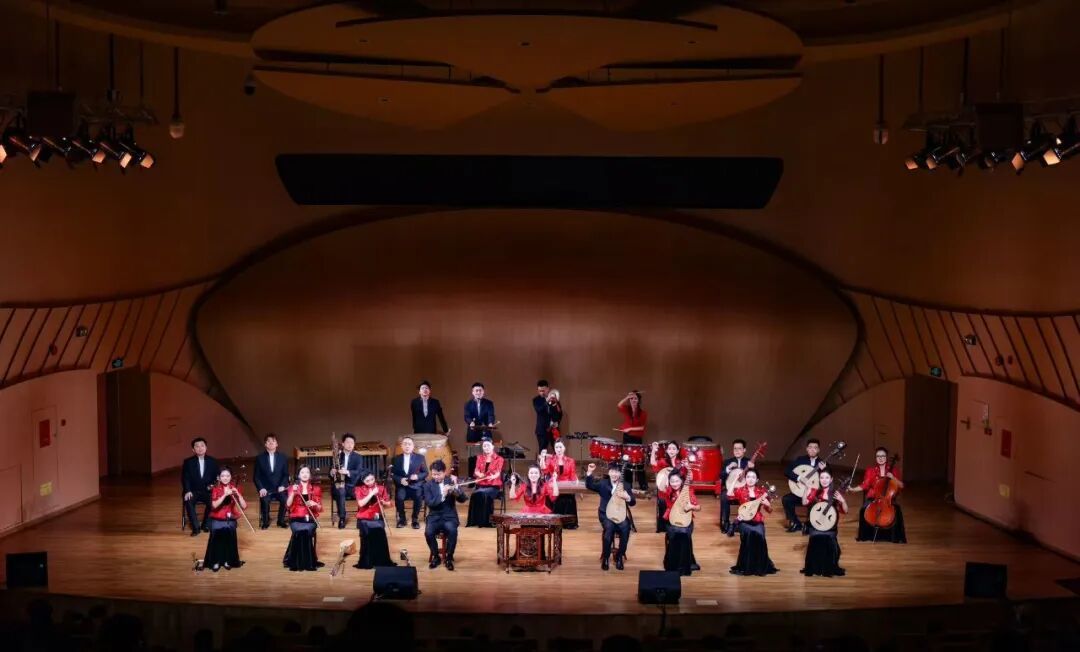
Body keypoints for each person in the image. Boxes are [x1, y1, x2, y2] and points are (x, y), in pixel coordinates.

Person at [585, 461, 636, 571]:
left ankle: (619, 556)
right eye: (612, 471)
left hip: (620, 515)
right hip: (606, 515)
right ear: (609, 472)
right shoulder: (603, 483)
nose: (614, 474)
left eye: (617, 472)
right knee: (609, 529)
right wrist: (589, 472)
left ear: (620, 473)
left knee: (626, 528)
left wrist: (628, 497)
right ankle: (606, 557)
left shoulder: (626, 485)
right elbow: (590, 485)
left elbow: (633, 502)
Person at [849, 447, 906, 543]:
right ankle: (865, 536)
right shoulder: (870, 470)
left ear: (886, 458)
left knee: (897, 510)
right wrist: (853, 489)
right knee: (863, 509)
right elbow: (865, 485)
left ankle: (895, 537)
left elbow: (901, 485)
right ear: (875, 458)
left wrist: (893, 478)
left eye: (883, 456)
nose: (880, 458)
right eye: (878, 456)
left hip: (888, 499)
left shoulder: (893, 470)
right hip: (874, 498)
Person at [421, 460, 468, 570]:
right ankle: (436, 556)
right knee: (428, 532)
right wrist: (443, 494)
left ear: (444, 472)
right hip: (434, 516)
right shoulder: (427, 485)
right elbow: (430, 503)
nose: (436, 477)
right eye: (434, 474)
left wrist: (456, 488)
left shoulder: (451, 481)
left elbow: (463, 499)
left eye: (438, 474)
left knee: (452, 531)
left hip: (449, 516)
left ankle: (449, 557)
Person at [730, 469, 777, 576]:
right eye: (748, 477)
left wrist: (768, 504)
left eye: (753, 477)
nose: (750, 479)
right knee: (749, 534)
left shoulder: (761, 492)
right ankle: (746, 566)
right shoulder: (740, 490)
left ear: (757, 480)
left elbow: (769, 510)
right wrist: (735, 480)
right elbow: (729, 494)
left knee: (760, 535)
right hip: (744, 520)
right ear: (745, 478)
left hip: (757, 519)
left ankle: (759, 566)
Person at [801, 469, 848, 577]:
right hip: (816, 525)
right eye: (822, 477)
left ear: (831, 479)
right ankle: (815, 567)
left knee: (829, 540)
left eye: (827, 478)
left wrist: (842, 500)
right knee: (816, 537)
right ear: (819, 479)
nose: (824, 480)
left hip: (830, 525)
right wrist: (806, 489)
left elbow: (845, 511)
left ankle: (828, 567)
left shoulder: (835, 494)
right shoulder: (815, 491)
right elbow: (804, 502)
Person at [203, 467, 246, 572]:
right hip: (217, 517)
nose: (225, 478)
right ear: (219, 477)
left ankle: (227, 560)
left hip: (230, 517)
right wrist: (224, 495)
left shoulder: (235, 488)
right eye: (223, 476)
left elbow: (244, 506)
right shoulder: (215, 488)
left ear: (231, 477)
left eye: (227, 476)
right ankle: (216, 561)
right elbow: (214, 505)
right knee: (217, 535)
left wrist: (238, 494)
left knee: (229, 535)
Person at [782, 438, 827, 534]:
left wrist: (823, 470)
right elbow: (787, 471)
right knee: (786, 499)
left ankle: (809, 525)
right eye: (810, 447)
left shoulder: (822, 463)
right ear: (807, 449)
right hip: (800, 492)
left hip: (813, 495)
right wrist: (799, 478)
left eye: (815, 448)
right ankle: (796, 523)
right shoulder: (800, 460)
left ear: (818, 450)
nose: (812, 450)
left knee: (816, 503)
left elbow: (826, 481)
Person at [283, 465, 323, 571]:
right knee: (299, 530)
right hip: (296, 517)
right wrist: (293, 493)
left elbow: (320, 508)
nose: (305, 474)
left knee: (306, 530)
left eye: (307, 472)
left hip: (310, 518)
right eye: (302, 472)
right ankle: (297, 561)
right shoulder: (292, 487)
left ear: (310, 475)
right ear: (299, 475)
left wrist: (315, 503)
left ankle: (306, 561)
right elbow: (288, 505)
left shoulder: (316, 489)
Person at [662, 470, 702, 576]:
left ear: (682, 481)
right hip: (671, 519)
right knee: (675, 533)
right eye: (672, 481)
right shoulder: (667, 491)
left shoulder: (688, 492)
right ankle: (672, 566)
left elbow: (698, 507)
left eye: (677, 481)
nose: (674, 483)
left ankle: (684, 567)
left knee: (684, 533)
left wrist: (692, 507)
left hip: (686, 520)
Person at [354, 471, 395, 568]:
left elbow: (389, 504)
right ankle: (367, 561)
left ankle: (380, 561)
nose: (371, 482)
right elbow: (361, 504)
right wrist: (371, 493)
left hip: (376, 517)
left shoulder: (381, 488)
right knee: (367, 535)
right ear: (363, 481)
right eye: (367, 481)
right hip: (364, 517)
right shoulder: (359, 489)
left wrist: (385, 503)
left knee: (380, 535)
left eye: (372, 479)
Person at [182, 437, 219, 537]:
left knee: (213, 501)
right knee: (189, 501)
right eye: (197, 446)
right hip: (193, 491)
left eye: (202, 446)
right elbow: (185, 478)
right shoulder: (188, 462)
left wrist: (214, 485)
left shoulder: (213, 461)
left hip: (208, 491)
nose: (200, 448)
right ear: (193, 450)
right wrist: (187, 490)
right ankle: (196, 528)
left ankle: (205, 525)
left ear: (206, 448)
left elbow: (217, 477)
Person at [390, 436, 428, 529]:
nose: (407, 446)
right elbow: (392, 474)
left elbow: (425, 472)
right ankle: (402, 519)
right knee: (399, 497)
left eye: (409, 444)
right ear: (402, 446)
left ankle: (415, 519)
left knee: (418, 497)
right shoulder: (396, 459)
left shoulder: (420, 458)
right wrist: (400, 480)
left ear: (413, 446)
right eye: (405, 444)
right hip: (402, 486)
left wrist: (417, 476)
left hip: (416, 485)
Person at [465, 438, 504, 527]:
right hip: (481, 485)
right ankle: (475, 521)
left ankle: (486, 521)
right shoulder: (480, 458)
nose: (486, 447)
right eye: (484, 446)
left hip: (493, 486)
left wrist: (493, 476)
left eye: (488, 445)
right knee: (474, 494)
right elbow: (476, 470)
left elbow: (498, 472)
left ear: (492, 446)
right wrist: (479, 474)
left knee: (484, 494)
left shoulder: (499, 459)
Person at [253, 433, 289, 529]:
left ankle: (280, 521)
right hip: (266, 489)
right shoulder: (259, 458)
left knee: (285, 499)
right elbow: (256, 477)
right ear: (265, 444)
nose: (271, 443)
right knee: (265, 500)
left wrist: (283, 485)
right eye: (268, 441)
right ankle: (265, 522)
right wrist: (261, 488)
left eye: (273, 441)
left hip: (279, 488)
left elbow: (286, 475)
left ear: (277, 444)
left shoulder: (283, 457)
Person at [720, 439, 754, 536]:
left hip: (744, 489)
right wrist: (728, 468)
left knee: (749, 497)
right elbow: (721, 476)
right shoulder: (728, 462)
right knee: (724, 497)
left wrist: (752, 468)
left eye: (739, 448)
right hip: (730, 489)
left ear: (744, 450)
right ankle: (725, 522)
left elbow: (756, 477)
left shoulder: (749, 462)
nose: (737, 450)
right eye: (735, 448)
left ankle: (742, 523)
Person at [650, 440, 685, 533]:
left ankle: (677, 522)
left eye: (674, 449)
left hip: (677, 489)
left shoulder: (680, 462)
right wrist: (653, 450)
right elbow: (653, 463)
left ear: (677, 451)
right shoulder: (663, 461)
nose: (671, 451)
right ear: (667, 450)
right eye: (669, 449)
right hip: (664, 490)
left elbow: (684, 476)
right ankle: (664, 526)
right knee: (662, 501)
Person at [615, 391, 648, 491]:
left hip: (636, 438)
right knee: (627, 460)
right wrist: (627, 397)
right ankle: (627, 484)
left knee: (639, 461)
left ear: (638, 400)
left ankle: (643, 485)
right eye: (632, 398)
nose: (633, 400)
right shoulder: (627, 409)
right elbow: (619, 405)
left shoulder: (643, 413)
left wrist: (630, 429)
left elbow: (642, 427)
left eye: (635, 398)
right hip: (627, 437)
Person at [542, 440, 579, 528]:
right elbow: (545, 470)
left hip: (566, 484)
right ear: (554, 449)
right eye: (556, 447)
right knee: (552, 494)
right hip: (554, 483)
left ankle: (568, 523)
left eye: (560, 447)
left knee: (569, 498)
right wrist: (542, 458)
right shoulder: (550, 459)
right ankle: (553, 522)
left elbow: (572, 475)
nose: (558, 449)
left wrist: (576, 485)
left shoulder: (570, 461)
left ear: (564, 448)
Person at [331, 434, 363, 529]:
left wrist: (347, 472)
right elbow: (330, 472)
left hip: (353, 485)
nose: (350, 445)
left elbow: (359, 472)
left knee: (363, 491)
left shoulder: (358, 457)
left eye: (352, 443)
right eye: (348, 442)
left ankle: (361, 517)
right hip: (339, 485)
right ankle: (342, 518)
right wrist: (332, 472)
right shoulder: (337, 455)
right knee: (340, 490)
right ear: (343, 444)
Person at [532, 380, 552, 452]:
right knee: (542, 450)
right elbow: (539, 410)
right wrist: (546, 401)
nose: (542, 393)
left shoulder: (554, 398)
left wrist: (556, 422)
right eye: (540, 391)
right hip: (541, 430)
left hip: (553, 429)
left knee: (557, 448)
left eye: (543, 390)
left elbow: (559, 413)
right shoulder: (536, 400)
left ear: (548, 389)